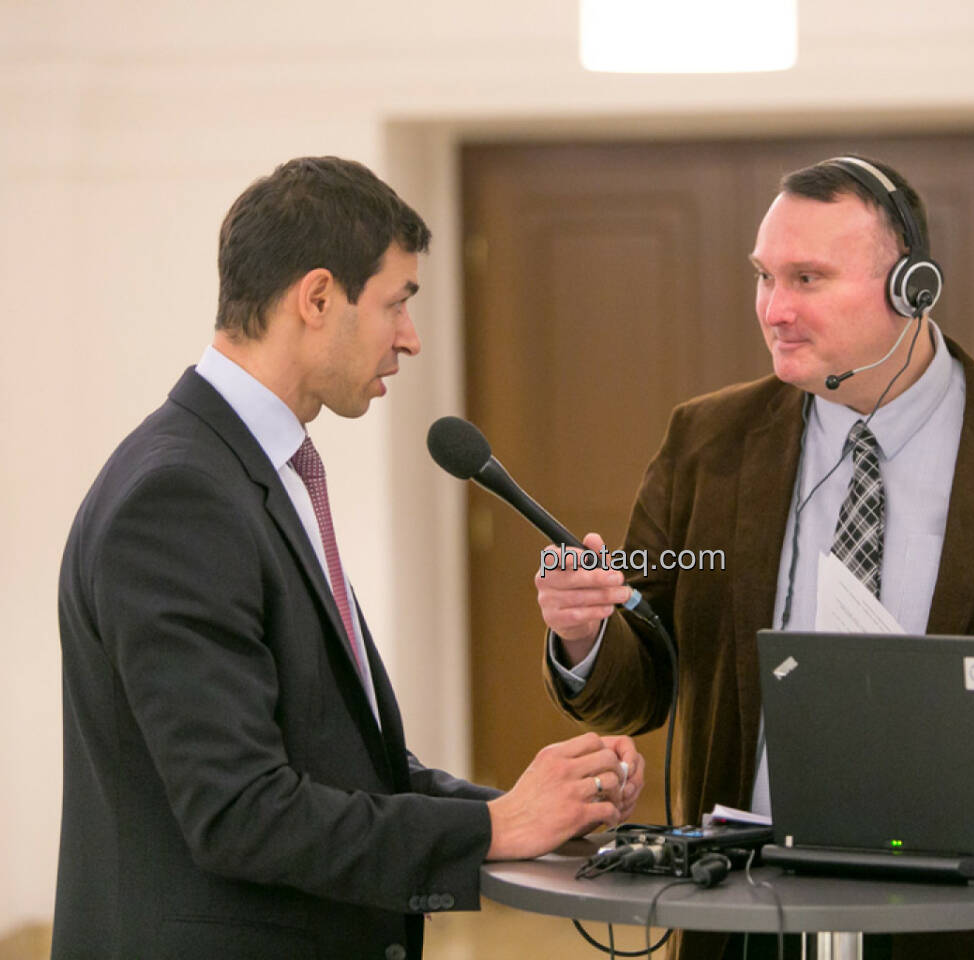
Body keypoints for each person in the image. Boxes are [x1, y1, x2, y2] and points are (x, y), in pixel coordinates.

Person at [534, 155, 974, 960]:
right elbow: (645, 680)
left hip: (972, 922)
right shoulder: (706, 443)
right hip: (745, 916)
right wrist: (586, 636)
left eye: (807, 279)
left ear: (912, 288)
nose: (774, 309)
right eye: (764, 277)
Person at [54, 156, 644, 960]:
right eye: (397, 302)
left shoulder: (254, 467)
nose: (411, 337)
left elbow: (331, 758)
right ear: (319, 297)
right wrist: (493, 827)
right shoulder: (179, 498)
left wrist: (538, 809)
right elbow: (239, 813)